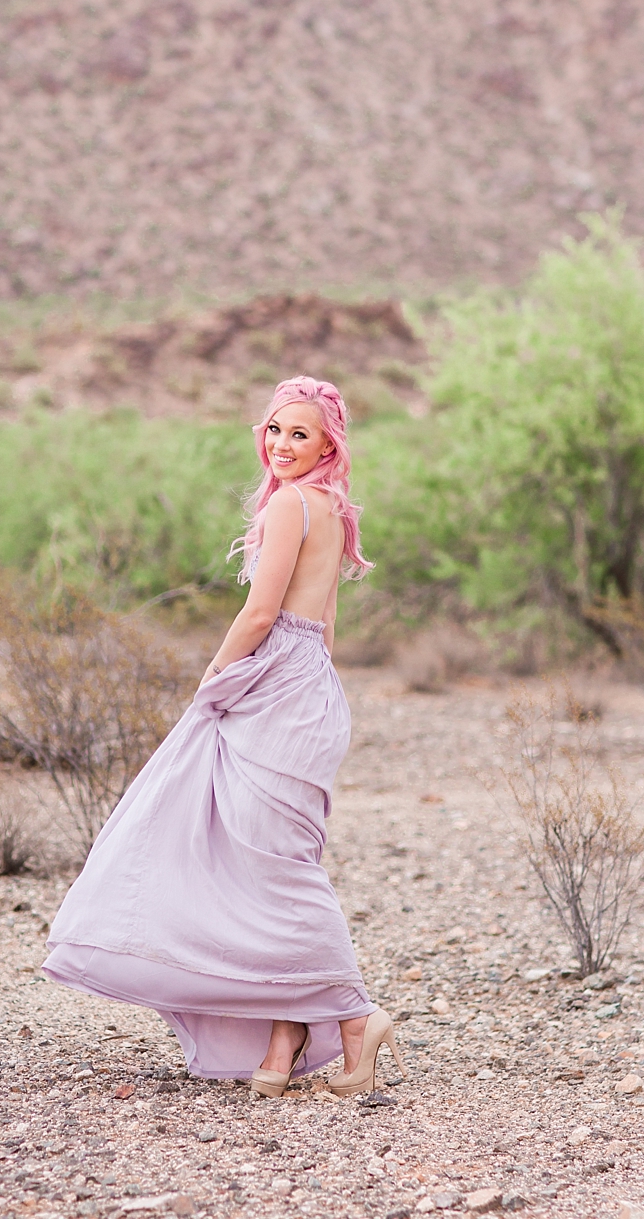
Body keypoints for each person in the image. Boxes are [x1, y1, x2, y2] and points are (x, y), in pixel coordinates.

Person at [42, 376, 406, 1097]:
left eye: (300, 433)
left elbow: (259, 611)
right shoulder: (333, 509)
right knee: (267, 859)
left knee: (272, 864)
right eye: (274, 430)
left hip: (276, 683)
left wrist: (213, 679)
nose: (282, 445)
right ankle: (285, 1029)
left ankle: (357, 1015)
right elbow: (325, 626)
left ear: (328, 442)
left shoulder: (293, 507)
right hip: (313, 688)